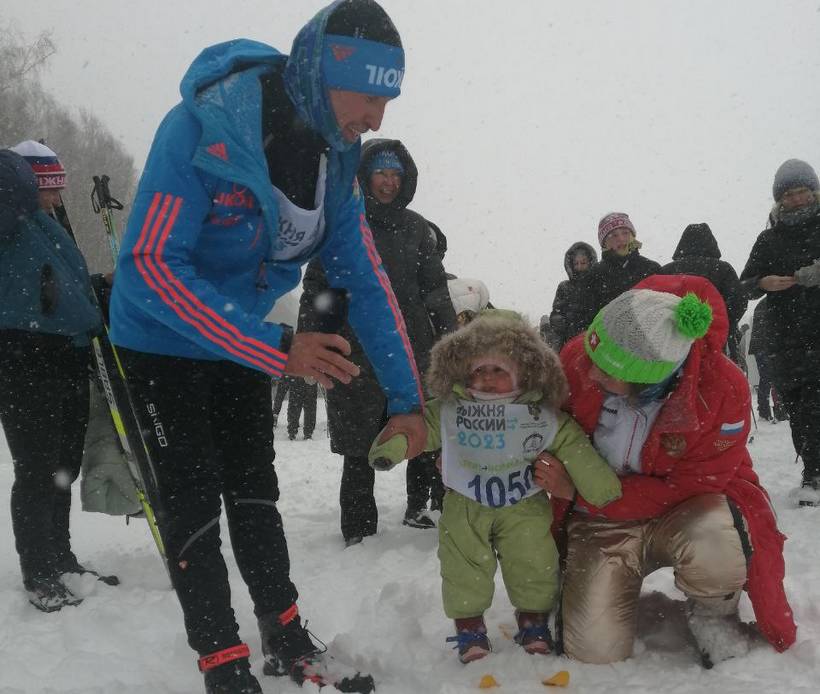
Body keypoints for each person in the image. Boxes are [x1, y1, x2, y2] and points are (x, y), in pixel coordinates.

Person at [107, 3, 427, 693]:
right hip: (159, 341)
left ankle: (284, 633)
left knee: (254, 488)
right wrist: (274, 344)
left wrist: (407, 400)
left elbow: (366, 282)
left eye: (387, 101)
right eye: (370, 95)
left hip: (240, 340)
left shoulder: (334, 164)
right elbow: (151, 265)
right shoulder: (201, 129)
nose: (377, 120)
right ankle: (222, 659)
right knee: (191, 496)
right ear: (324, 72)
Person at [536, 274, 796, 668]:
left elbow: (691, 486)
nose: (589, 374)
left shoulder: (724, 390)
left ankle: (714, 615)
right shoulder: (579, 360)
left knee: (716, 538)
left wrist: (579, 491)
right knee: (594, 651)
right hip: (600, 520)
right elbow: (534, 425)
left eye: (606, 372)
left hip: (683, 510)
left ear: (648, 377)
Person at [368, 310, 621, 663]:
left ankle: (533, 619)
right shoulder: (450, 410)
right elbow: (420, 428)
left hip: (524, 501)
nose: (487, 378)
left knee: (533, 560)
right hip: (465, 502)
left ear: (524, 373)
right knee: (462, 565)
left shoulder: (540, 415)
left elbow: (571, 443)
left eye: (499, 369)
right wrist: (393, 448)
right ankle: (469, 626)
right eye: (478, 370)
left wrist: (599, 486)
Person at [299, 138, 456, 545]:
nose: (388, 181)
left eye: (395, 174)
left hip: (412, 347)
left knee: (418, 432)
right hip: (356, 348)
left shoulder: (417, 228)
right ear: (365, 176)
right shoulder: (344, 223)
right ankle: (357, 524)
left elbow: (435, 290)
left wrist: (453, 340)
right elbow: (319, 284)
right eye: (380, 172)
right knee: (357, 442)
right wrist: (315, 336)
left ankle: (419, 506)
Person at [0, 149, 110, 612]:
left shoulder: (49, 224)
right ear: (26, 186)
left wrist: (103, 290)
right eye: (49, 184)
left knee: (64, 465)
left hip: (67, 354)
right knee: (38, 469)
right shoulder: (11, 221)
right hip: (24, 358)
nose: (58, 192)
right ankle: (39, 570)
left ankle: (61, 556)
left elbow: (69, 283)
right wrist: (19, 172)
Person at [740, 159, 820, 506]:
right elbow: (744, 285)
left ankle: (815, 474)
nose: (798, 199)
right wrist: (763, 282)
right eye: (790, 194)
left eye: (803, 191)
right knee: (799, 407)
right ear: (780, 199)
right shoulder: (768, 239)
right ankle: (812, 470)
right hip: (787, 338)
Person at [659, 223, 747, 364]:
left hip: (674, 341)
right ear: (712, 243)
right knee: (715, 379)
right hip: (716, 340)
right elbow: (739, 302)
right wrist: (719, 323)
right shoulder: (723, 269)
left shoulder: (667, 270)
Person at [567, 212, 661, 339]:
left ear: (633, 236)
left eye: (625, 233)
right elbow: (579, 321)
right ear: (604, 243)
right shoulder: (593, 276)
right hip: (608, 349)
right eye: (613, 235)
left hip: (652, 344)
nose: (621, 239)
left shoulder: (652, 268)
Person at [549, 241, 597, 349]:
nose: (580, 267)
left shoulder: (597, 285)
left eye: (583, 263)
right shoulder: (564, 287)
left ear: (590, 262)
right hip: (569, 340)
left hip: (593, 339)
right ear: (571, 265)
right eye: (576, 263)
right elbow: (557, 314)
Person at [748, 298, 784, 422]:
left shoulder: (762, 303)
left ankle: (764, 410)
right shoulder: (776, 301)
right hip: (769, 345)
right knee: (775, 378)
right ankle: (779, 410)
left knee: (765, 379)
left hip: (760, 347)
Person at [286, 376, 318, 440]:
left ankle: (293, 431)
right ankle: (307, 432)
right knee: (309, 408)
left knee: (295, 406)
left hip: (299, 377)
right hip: (309, 377)